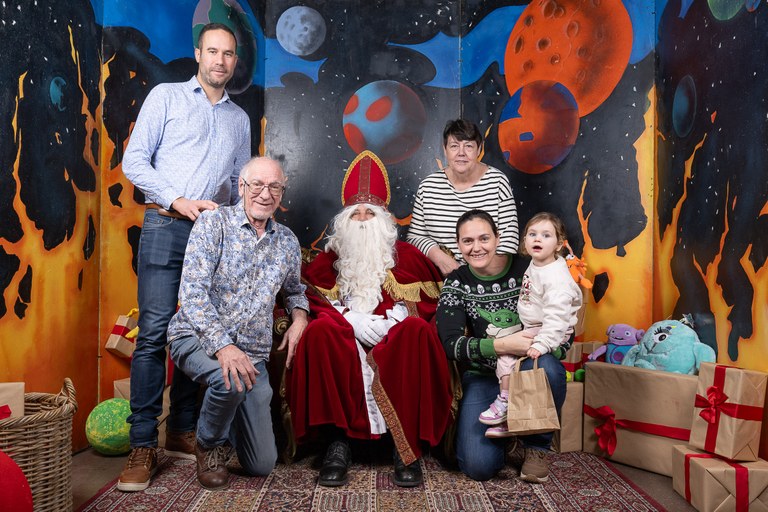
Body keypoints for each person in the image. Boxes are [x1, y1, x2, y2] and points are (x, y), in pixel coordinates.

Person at [118, 23, 251, 492]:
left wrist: (243, 223)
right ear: (198, 54)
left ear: (235, 61)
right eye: (212, 51)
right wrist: (178, 200)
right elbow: (134, 162)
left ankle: (181, 428)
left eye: (228, 54)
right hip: (165, 225)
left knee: (201, 330)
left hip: (212, 237)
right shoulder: (166, 97)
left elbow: (238, 183)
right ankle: (142, 444)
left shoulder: (239, 119)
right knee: (154, 333)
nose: (220, 60)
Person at [286, 151, 453, 488]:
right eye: (356, 213)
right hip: (344, 336)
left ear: (384, 219)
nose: (362, 220)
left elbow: (434, 303)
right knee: (321, 331)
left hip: (394, 338)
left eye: (370, 213)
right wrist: (349, 320)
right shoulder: (328, 260)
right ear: (344, 221)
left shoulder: (409, 257)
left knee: (416, 331)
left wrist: (398, 319)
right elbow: (309, 296)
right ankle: (337, 442)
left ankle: (405, 447)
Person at [168, 156, 309, 490]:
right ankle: (208, 444)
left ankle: (227, 419)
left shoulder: (287, 241)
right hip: (195, 337)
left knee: (262, 464)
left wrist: (300, 317)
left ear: (282, 192)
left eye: (274, 186)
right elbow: (192, 293)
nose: (265, 194)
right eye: (257, 184)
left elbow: (294, 291)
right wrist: (224, 347)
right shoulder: (213, 223)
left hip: (253, 354)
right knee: (228, 380)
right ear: (242, 187)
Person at [436, 209, 567, 484]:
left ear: (498, 238)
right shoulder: (457, 281)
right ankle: (509, 433)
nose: (476, 247)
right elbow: (451, 344)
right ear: (458, 244)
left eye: (484, 238)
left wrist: (539, 347)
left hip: (530, 366)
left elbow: (564, 323)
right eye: (467, 241)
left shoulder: (530, 268)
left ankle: (537, 446)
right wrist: (504, 345)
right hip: (484, 375)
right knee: (478, 467)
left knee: (550, 368)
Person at [479, 212, 582, 438]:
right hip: (536, 325)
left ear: (559, 244)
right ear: (524, 240)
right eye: (532, 234)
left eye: (546, 235)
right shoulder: (537, 265)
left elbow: (557, 316)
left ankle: (506, 402)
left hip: (550, 329)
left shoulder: (556, 277)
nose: (538, 239)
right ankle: (513, 417)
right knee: (507, 352)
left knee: (507, 356)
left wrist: (543, 343)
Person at [407, 119, 518, 276]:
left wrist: (472, 277)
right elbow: (415, 237)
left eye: (468, 146)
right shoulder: (428, 187)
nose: (461, 153)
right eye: (454, 146)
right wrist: (441, 258)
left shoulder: (497, 182)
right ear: (445, 150)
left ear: (479, 149)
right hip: (442, 278)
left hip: (488, 277)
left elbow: (508, 243)